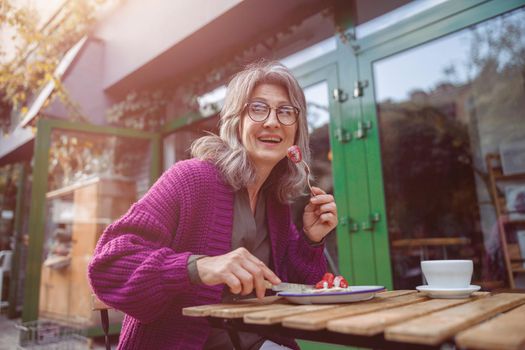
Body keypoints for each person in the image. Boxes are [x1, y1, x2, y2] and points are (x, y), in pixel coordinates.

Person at [88, 60, 338, 350]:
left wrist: (310, 239)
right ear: (236, 121)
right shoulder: (191, 179)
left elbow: (296, 289)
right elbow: (107, 267)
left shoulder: (276, 202)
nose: (272, 121)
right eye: (258, 108)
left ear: (296, 130)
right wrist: (198, 267)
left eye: (285, 111)